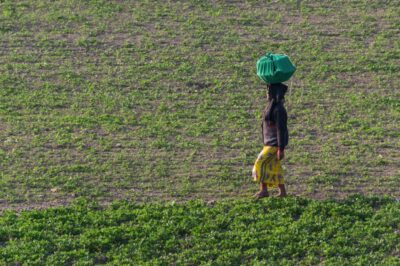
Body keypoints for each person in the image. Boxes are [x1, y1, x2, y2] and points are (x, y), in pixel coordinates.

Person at [252, 83, 289, 199]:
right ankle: (282, 192)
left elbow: (280, 129)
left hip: (274, 144)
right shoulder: (272, 107)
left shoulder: (279, 110)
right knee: (275, 166)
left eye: (269, 92)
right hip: (269, 143)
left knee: (260, 163)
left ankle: (264, 190)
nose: (267, 94)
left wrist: (281, 148)